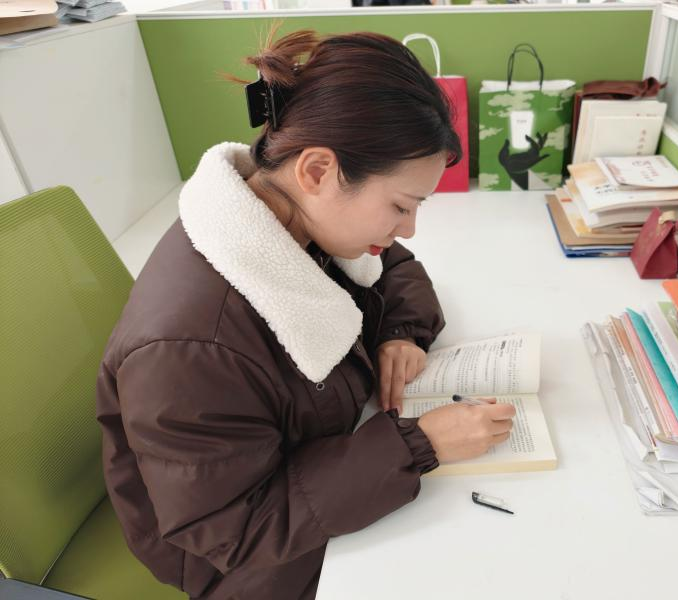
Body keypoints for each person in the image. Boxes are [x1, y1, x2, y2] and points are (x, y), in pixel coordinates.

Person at [96, 29, 516, 600]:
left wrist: (400, 334)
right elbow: (235, 530)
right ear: (317, 171)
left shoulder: (285, 214)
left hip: (314, 488)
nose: (408, 228)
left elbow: (393, 268)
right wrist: (418, 445)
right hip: (243, 566)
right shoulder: (190, 349)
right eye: (400, 205)